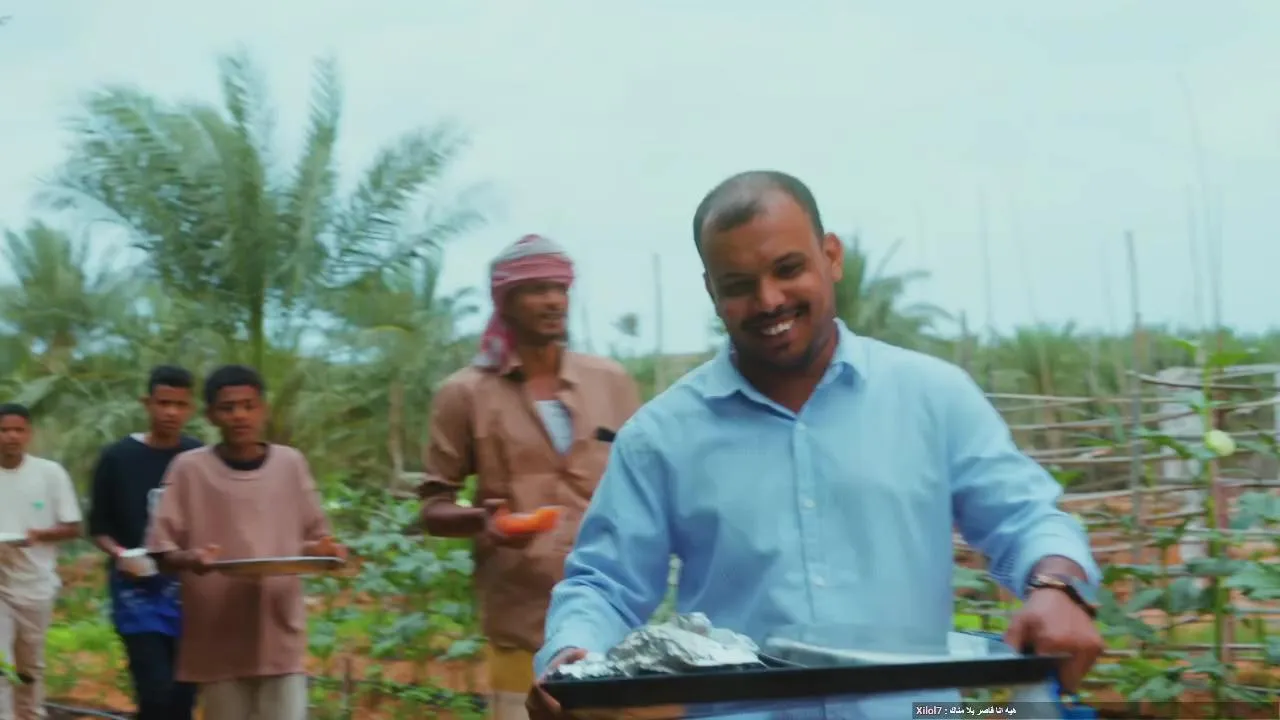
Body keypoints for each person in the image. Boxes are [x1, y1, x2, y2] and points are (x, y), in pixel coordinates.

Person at [528, 171, 1104, 719]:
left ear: (831, 256)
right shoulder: (661, 436)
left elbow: (1026, 519)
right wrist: (570, 656)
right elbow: (605, 585)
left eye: (788, 269)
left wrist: (1057, 587)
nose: (769, 300)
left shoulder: (932, 397)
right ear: (711, 291)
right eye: (739, 286)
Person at [417, 234, 641, 720]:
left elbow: (646, 487)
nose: (554, 300)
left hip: (612, 624)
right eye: (537, 289)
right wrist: (482, 522)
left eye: (560, 288)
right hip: (521, 623)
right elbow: (433, 507)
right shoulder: (465, 394)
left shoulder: (612, 382)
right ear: (505, 302)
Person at [145, 365, 345, 720]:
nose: (240, 415)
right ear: (210, 415)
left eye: (249, 406)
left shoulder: (290, 464)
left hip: (278, 627)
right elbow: (161, 551)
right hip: (217, 631)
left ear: (263, 409)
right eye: (228, 408)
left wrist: (325, 552)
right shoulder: (189, 469)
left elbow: (315, 538)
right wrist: (192, 558)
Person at [87, 366, 203, 720]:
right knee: (155, 690)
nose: (171, 412)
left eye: (180, 405)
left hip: (188, 590)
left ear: (191, 408)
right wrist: (121, 554)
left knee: (184, 694)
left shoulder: (198, 457)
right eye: (164, 403)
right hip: (136, 594)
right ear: (147, 403)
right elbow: (98, 527)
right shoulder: (117, 457)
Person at [0, 403, 83, 720]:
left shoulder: (50, 474)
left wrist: (39, 535)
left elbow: (73, 527)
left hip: (35, 583)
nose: (11, 436)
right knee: (1, 663)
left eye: (18, 430)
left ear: (28, 434)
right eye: (4, 430)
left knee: (30, 664)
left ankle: (30, 713)